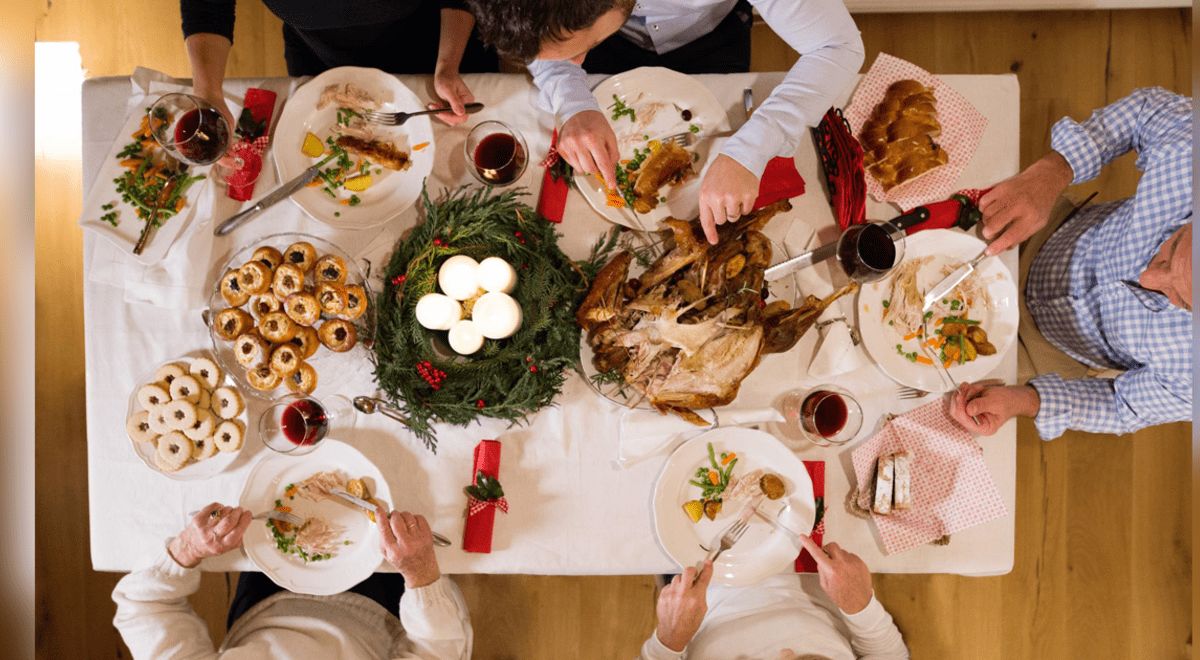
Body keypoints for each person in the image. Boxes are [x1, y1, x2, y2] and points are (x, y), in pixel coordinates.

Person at [465, 0, 864, 243]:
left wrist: (751, 148)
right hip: (610, 38)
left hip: (710, 37)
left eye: (573, 52)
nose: (574, 64)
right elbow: (540, 33)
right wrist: (568, 92)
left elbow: (840, 46)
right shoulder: (568, 27)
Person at [948, 87, 1192, 440]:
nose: (1148, 277)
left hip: (1044, 350)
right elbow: (1144, 113)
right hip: (1039, 230)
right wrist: (1054, 171)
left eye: (1180, 299)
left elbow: (1122, 405)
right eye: (1175, 246)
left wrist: (1026, 400)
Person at [112, 502, 472, 659]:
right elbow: (437, 652)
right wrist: (420, 573)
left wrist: (188, 549)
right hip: (380, 612)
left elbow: (144, 608)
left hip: (268, 602)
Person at [180, 0, 497, 127]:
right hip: (320, 57)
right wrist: (208, 93)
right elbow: (208, 8)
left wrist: (447, 66)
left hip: (442, 48)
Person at [640, 536, 909, 659]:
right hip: (819, 572)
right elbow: (889, 654)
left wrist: (670, 640)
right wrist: (859, 605)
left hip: (710, 586)